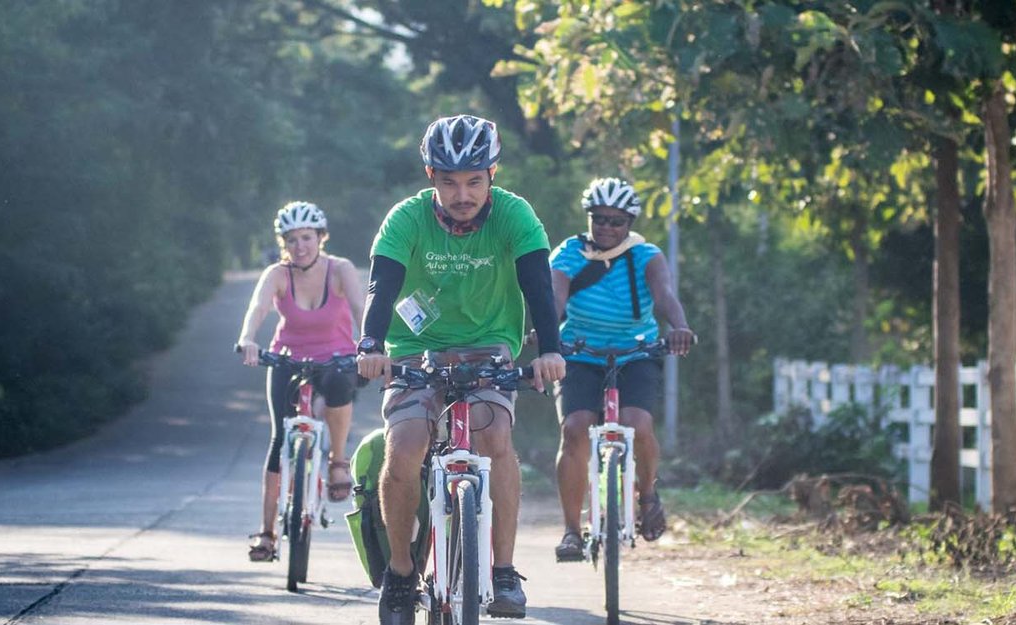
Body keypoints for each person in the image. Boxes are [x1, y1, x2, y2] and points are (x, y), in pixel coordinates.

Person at [356, 114, 565, 624]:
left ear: (492, 174)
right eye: (449, 182)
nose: (462, 193)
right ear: (431, 177)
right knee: (404, 446)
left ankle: (504, 571)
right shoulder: (406, 218)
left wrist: (550, 350)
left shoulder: (516, 215)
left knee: (496, 441)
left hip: (488, 350)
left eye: (474, 181)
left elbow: (538, 286)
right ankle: (402, 575)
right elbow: (382, 287)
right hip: (413, 348)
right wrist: (370, 343)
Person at [548, 177, 695, 562]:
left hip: (636, 352)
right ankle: (571, 531)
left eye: (617, 221)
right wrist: (546, 335)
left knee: (638, 424)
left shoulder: (646, 255)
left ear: (629, 222)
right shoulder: (569, 253)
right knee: (575, 428)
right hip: (580, 352)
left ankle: (647, 495)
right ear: (589, 218)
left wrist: (679, 327)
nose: (608, 228)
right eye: (600, 219)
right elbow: (555, 298)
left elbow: (664, 295)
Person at [235, 201, 366, 563]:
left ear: (321, 237)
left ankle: (338, 461)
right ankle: (267, 533)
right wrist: (248, 338)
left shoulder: (340, 270)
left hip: (336, 358)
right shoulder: (278, 274)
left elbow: (359, 308)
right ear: (284, 243)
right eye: (291, 240)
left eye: (306, 237)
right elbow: (257, 308)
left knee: (340, 386)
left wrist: (371, 346)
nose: (300, 246)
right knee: (279, 440)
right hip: (286, 358)